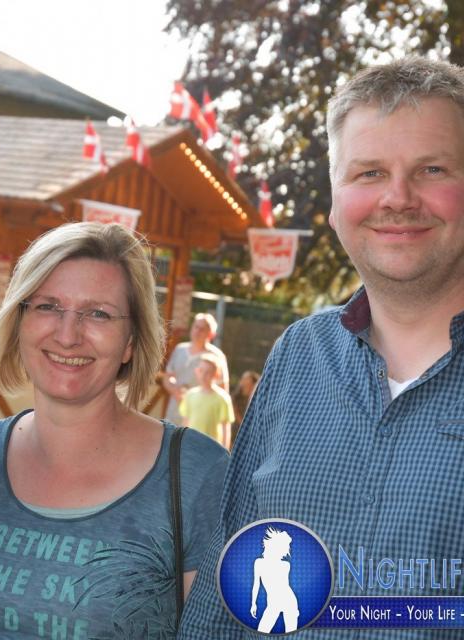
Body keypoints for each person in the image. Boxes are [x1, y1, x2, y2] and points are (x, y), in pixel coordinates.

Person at [179, 55, 464, 639]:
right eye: (369, 173)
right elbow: (228, 574)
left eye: (432, 169)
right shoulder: (298, 355)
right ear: (335, 203)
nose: (398, 197)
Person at [0, 222, 229, 638]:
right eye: (48, 306)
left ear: (130, 341)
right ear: (19, 322)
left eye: (98, 313)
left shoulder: (196, 475)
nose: (68, 336)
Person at [163, 312, 229, 425]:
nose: (197, 331)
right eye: (196, 327)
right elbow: (167, 378)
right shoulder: (180, 349)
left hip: (199, 420)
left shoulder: (217, 356)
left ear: (211, 334)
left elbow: (223, 389)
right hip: (174, 415)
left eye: (202, 329)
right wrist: (175, 391)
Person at [179, 353, 234, 449]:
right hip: (191, 445)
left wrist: (225, 450)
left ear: (216, 375)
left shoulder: (223, 398)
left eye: (208, 372)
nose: (203, 375)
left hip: (211, 447)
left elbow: (226, 428)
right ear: (196, 371)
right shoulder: (190, 395)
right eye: (201, 370)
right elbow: (185, 422)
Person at [250, 527, 298, 633]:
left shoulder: (286, 565)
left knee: (292, 634)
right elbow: (256, 585)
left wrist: (294, 610)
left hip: (289, 601)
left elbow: (284, 586)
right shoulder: (259, 563)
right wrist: (253, 603)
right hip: (273, 603)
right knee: (262, 631)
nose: (286, 551)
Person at [230, 370, 260, 445]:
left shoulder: (257, 399)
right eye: (243, 378)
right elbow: (235, 414)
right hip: (237, 431)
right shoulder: (235, 398)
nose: (243, 381)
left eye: (246, 379)